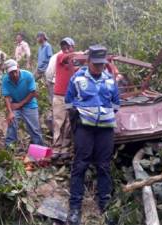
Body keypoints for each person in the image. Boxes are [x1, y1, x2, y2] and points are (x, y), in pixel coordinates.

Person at [65, 45, 120, 225]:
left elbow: (116, 104)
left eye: (102, 64)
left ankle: (105, 204)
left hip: (105, 129)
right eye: (95, 64)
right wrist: (79, 120)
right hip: (85, 128)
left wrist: (103, 116)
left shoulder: (110, 80)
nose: (99, 67)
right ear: (88, 62)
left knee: (104, 165)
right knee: (80, 164)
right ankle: (75, 208)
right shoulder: (77, 78)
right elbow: (69, 102)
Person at [1, 59, 44, 147]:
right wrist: (10, 112)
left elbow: (33, 93)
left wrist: (19, 104)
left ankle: (39, 149)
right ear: (7, 73)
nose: (14, 74)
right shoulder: (5, 80)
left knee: (34, 129)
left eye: (15, 71)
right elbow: (6, 96)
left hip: (30, 104)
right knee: (11, 122)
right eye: (11, 73)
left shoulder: (28, 75)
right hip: (15, 104)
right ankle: (9, 148)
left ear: (18, 67)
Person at [51, 37, 76, 160]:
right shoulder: (60, 57)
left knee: (68, 124)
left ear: (73, 47)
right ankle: (56, 148)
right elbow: (67, 57)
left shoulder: (75, 63)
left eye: (68, 46)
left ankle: (65, 149)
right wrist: (80, 53)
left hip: (71, 98)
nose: (65, 48)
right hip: (59, 96)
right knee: (58, 122)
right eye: (63, 46)